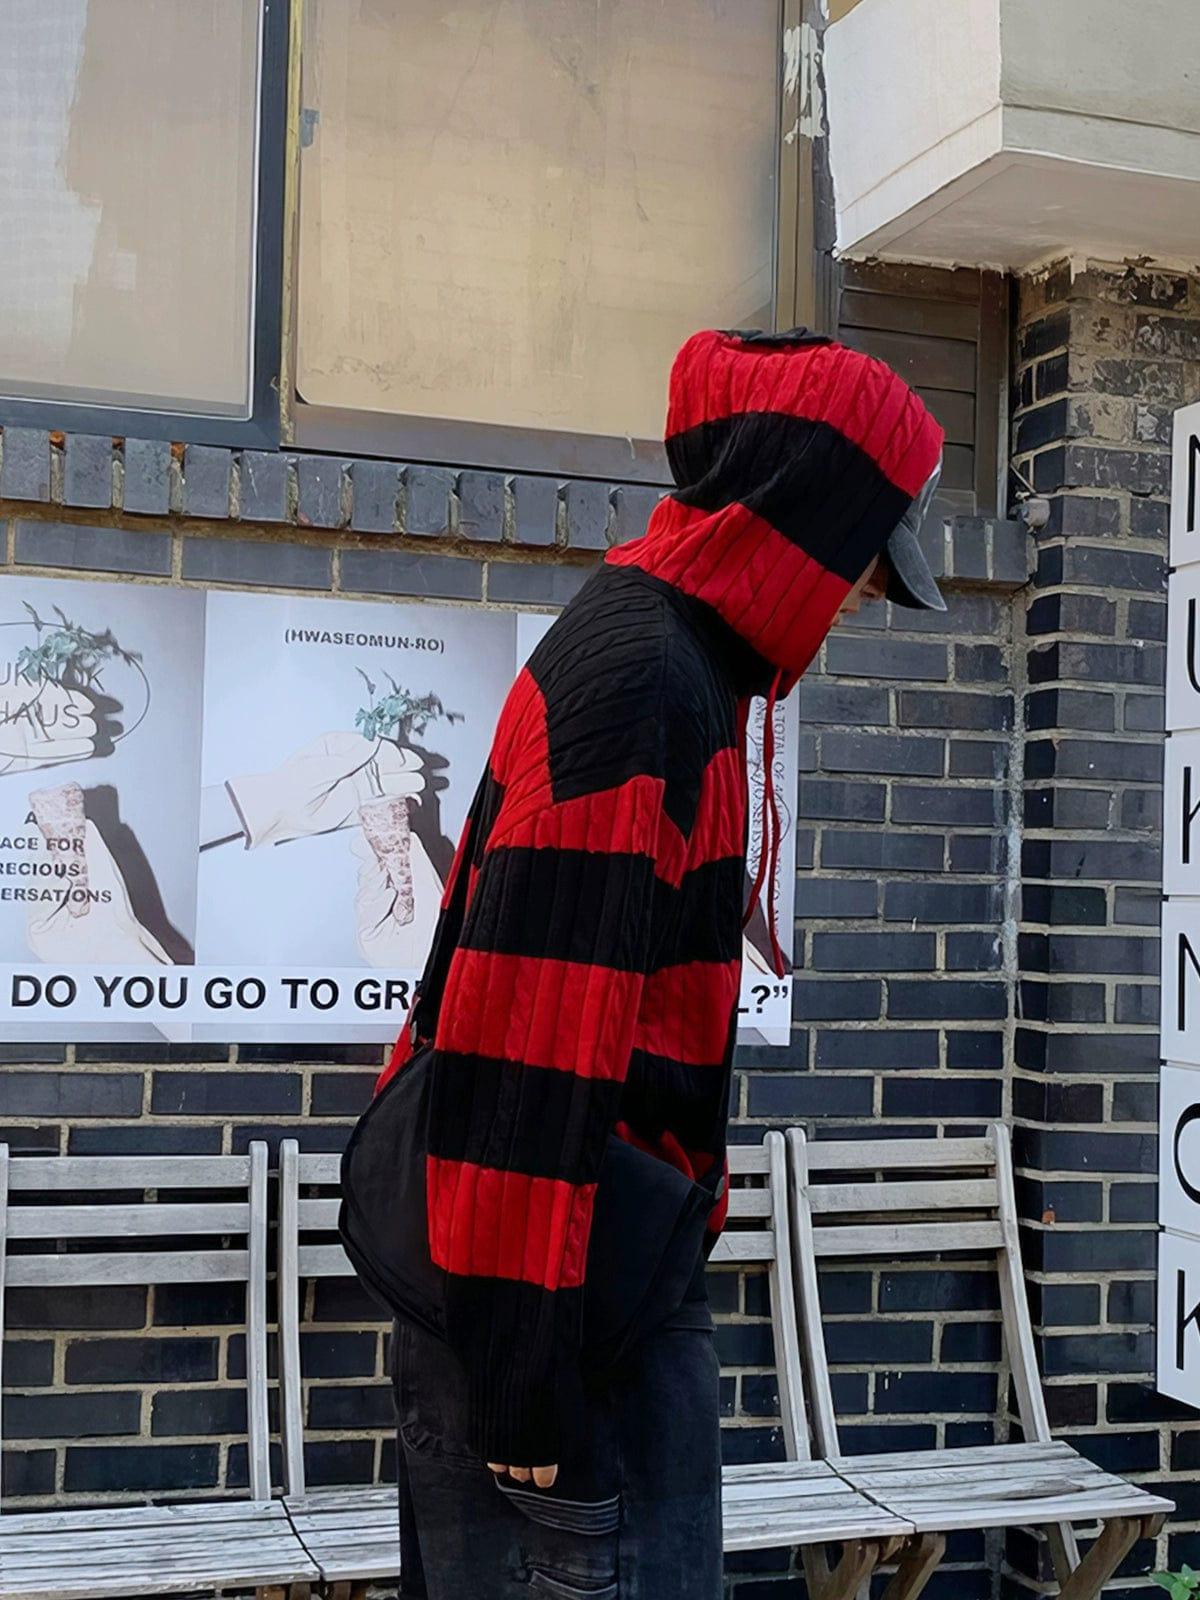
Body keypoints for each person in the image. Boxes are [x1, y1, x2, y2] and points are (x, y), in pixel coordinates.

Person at [380, 328, 946, 1599]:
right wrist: (523, 1379)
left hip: (590, 1287)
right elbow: (529, 1033)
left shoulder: (677, 659)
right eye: (866, 547)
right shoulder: (642, 683)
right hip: (557, 1329)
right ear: (801, 509)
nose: (866, 591)